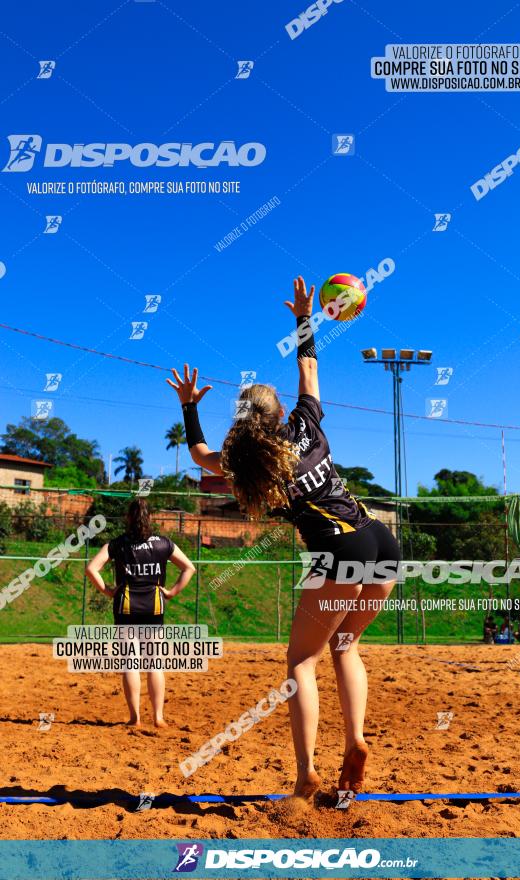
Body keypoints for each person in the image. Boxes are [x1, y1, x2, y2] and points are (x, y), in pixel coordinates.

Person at [167, 276, 401, 798]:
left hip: (341, 552)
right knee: (346, 645)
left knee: (300, 662)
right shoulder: (306, 423)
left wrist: (189, 406)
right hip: (380, 541)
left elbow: (201, 454)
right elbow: (309, 366)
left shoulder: (249, 467)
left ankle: (305, 775)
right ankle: (356, 739)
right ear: (275, 414)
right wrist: (303, 318)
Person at [86, 498, 195, 727]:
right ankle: (158, 718)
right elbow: (189, 567)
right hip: (154, 607)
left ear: (128, 518)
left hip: (125, 607)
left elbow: (91, 568)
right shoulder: (163, 543)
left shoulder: (118, 544)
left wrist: (108, 591)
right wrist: (173, 592)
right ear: (150, 518)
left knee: (131, 663)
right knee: (155, 663)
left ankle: (135, 718)